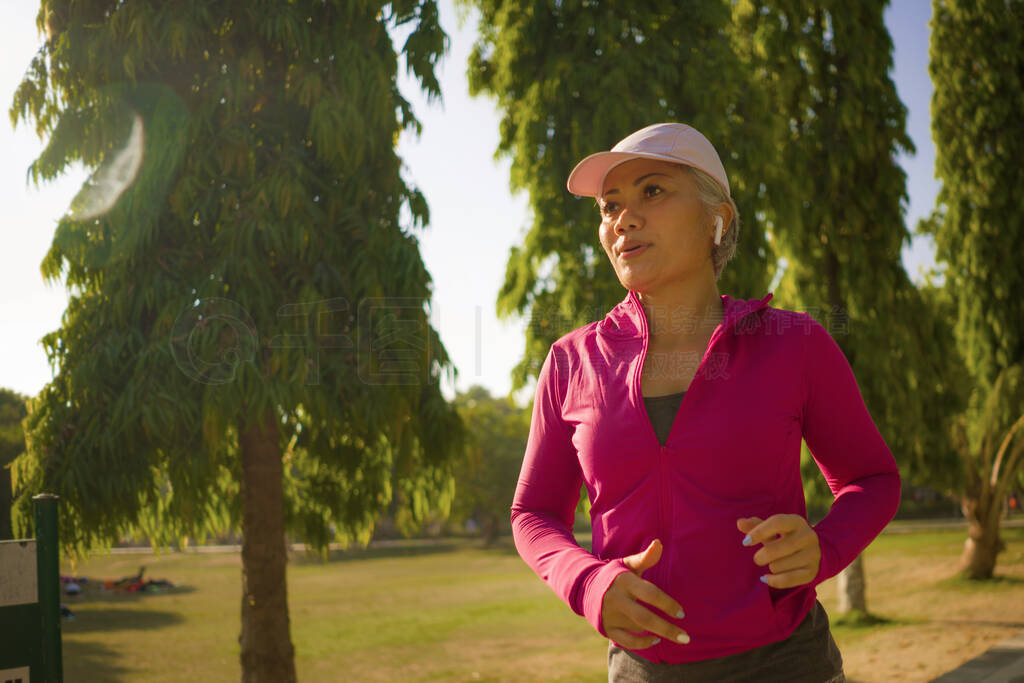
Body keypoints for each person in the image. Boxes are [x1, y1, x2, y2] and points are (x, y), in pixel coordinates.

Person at [510, 122, 901, 682]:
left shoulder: (796, 343)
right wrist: (587, 582)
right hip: (643, 671)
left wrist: (827, 547)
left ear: (715, 218)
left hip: (790, 665)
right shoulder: (571, 362)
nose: (623, 219)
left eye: (652, 191)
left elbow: (873, 477)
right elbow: (533, 514)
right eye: (608, 206)